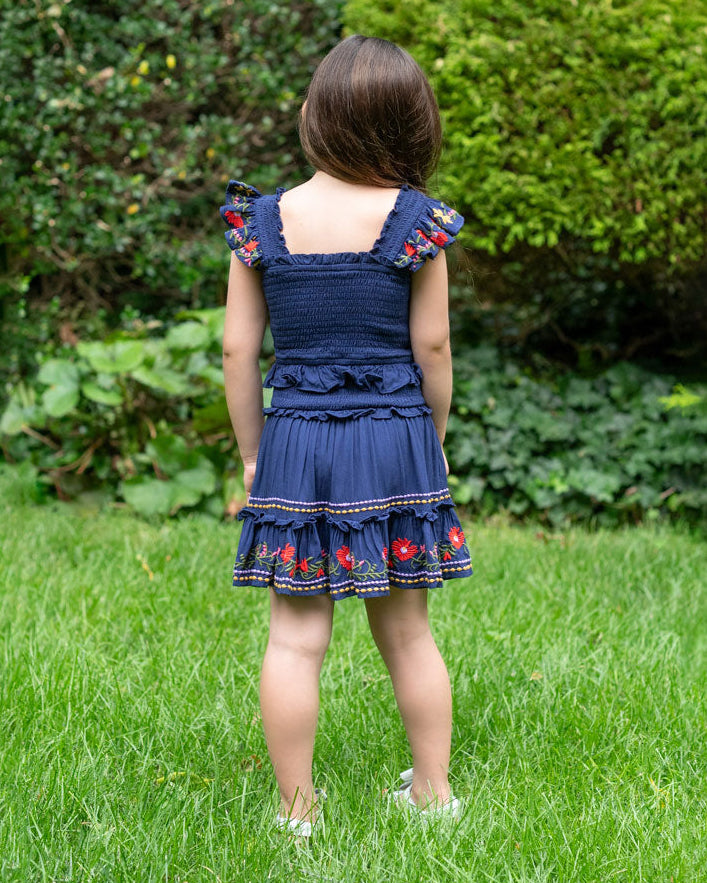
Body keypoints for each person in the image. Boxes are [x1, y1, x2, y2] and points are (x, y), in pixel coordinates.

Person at [220, 34, 473, 838]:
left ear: (311, 117)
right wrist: (428, 435)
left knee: (294, 638)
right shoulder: (416, 225)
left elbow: (236, 349)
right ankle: (432, 794)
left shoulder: (261, 222)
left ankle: (296, 812)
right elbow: (432, 348)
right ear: (413, 124)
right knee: (408, 630)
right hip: (395, 438)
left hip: (297, 438)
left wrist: (255, 452)